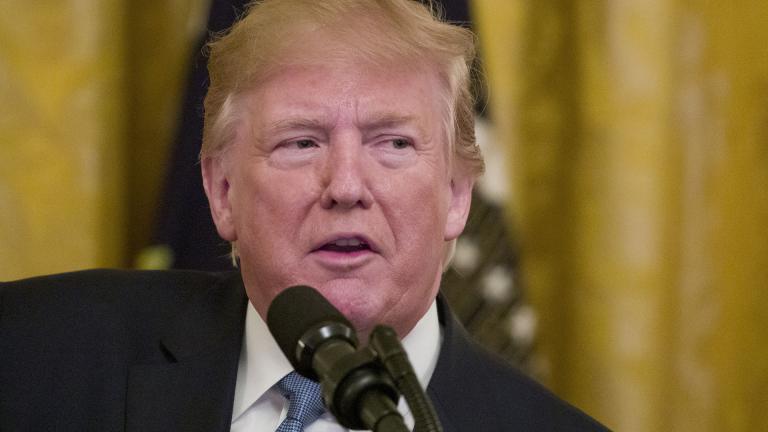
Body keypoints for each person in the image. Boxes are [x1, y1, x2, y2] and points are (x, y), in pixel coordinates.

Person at [0, 1, 608, 431]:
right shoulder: (31, 356)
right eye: (301, 142)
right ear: (221, 191)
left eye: (393, 143)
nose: (346, 187)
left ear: (456, 195)